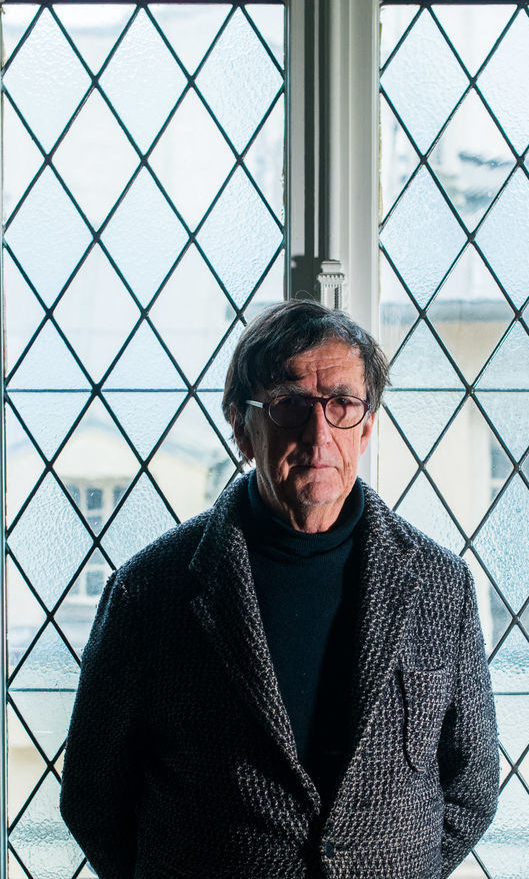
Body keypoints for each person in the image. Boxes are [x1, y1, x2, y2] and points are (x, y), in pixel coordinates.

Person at [60, 299, 499, 879]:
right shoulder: (149, 592)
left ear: (367, 425)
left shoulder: (441, 585)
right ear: (242, 427)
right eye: (289, 405)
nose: (320, 434)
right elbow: (92, 799)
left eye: (342, 404)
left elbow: (472, 790)